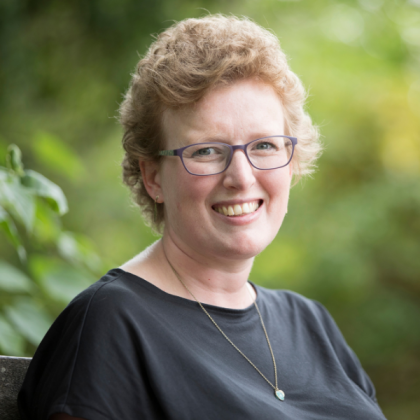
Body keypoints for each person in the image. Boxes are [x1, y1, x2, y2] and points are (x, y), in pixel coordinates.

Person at [18, 15, 387, 420]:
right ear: (153, 176)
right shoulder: (112, 325)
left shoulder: (311, 324)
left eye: (264, 144)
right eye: (206, 151)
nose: (241, 177)